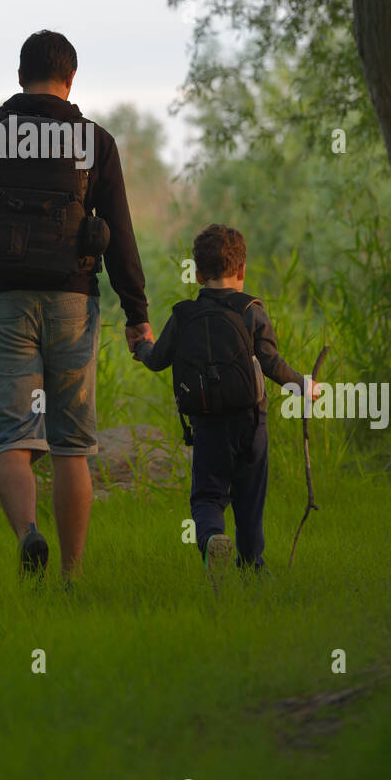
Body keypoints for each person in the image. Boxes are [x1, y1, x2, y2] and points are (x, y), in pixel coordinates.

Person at [0, 30, 152, 580]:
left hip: (2, 298)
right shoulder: (93, 141)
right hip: (72, 300)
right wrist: (137, 314)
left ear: (19, 76)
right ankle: (72, 576)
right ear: (71, 78)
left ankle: (29, 535)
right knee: (71, 446)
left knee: (13, 437)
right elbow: (120, 233)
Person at [133, 223, 319, 578]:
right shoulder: (251, 310)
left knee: (207, 496)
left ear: (198, 273)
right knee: (250, 497)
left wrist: (141, 345)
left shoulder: (183, 315)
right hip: (251, 421)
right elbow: (270, 362)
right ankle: (252, 566)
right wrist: (304, 386)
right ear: (242, 270)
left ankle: (212, 538)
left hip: (207, 424)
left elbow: (157, 360)